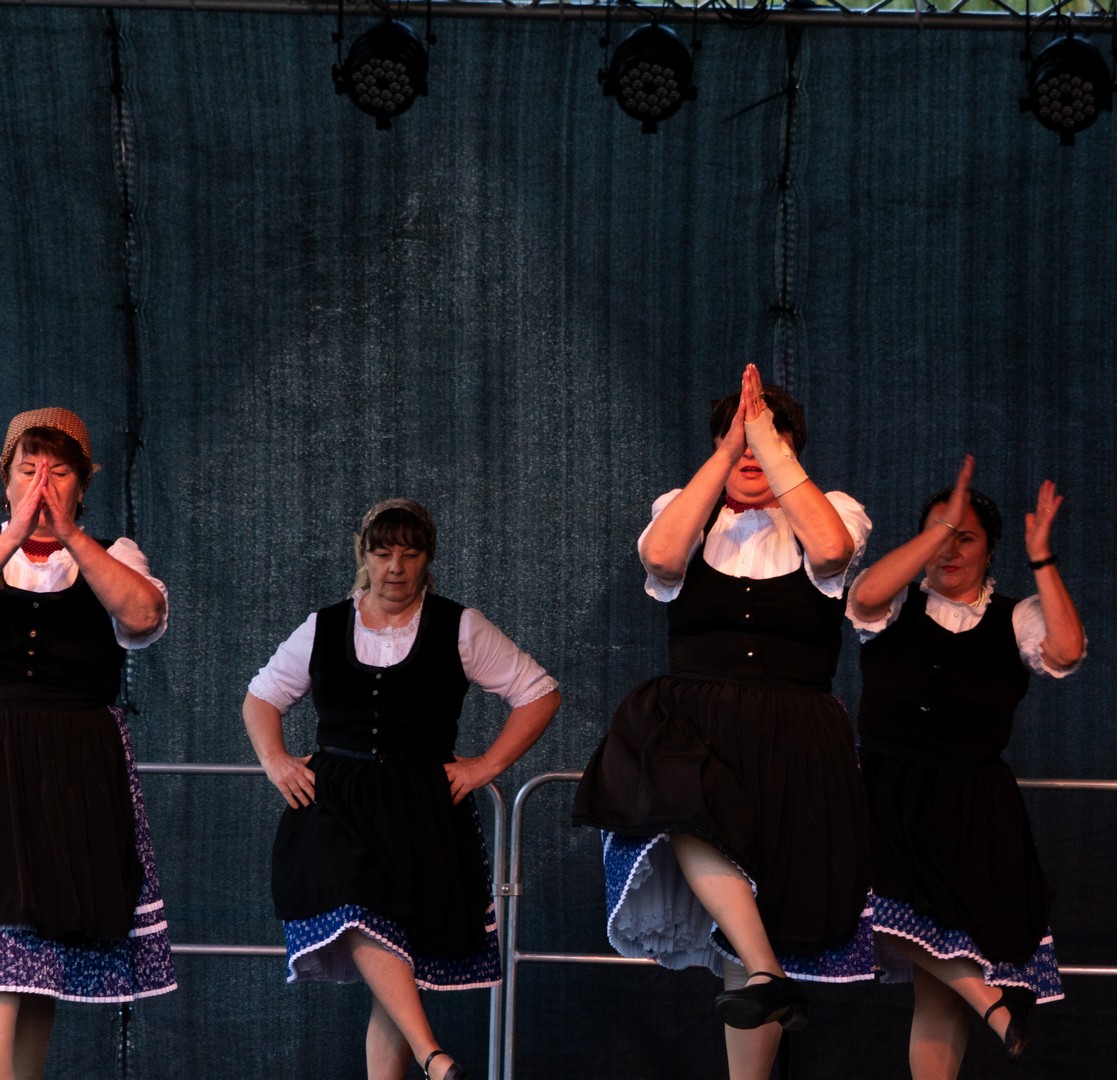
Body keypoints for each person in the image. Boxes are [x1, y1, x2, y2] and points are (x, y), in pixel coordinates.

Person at [572, 364, 873, 1080]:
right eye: (737, 442)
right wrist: (731, 444)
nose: (751, 455)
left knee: (758, 916)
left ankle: (763, 983)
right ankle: (767, 971)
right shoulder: (686, 511)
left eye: (768, 442)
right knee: (676, 802)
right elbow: (660, 558)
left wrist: (769, 442)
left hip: (794, 734)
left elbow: (832, 552)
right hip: (697, 723)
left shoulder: (833, 511)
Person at [243, 499, 560, 1080]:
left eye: (410, 554)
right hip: (334, 803)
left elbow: (538, 692)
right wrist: (275, 760)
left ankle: (421, 1058)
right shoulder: (324, 625)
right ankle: (432, 1056)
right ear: (363, 555)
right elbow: (262, 696)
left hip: (419, 808)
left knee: (396, 961)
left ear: (427, 559)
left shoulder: (459, 625)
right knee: (354, 905)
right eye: (384, 552)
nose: (395, 567)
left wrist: (486, 766)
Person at [846, 454, 1084, 1077]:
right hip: (884, 795)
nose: (949, 550)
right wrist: (938, 531)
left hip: (971, 808)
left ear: (990, 549)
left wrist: (1042, 557)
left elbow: (1065, 651)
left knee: (937, 997)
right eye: (938, 535)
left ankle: (981, 1002)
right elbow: (863, 595)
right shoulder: (895, 601)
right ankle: (993, 1002)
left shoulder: (1015, 616)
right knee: (865, 906)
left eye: (965, 538)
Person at [0, 407, 174, 1080]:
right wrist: (15, 535)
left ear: (83, 484)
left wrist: (69, 536)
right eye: (28, 470)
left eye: (60, 472)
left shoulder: (112, 554)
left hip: (72, 767)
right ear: (7, 482)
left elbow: (142, 615)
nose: (42, 485)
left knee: (44, 951)